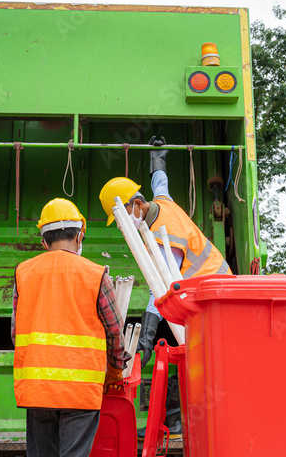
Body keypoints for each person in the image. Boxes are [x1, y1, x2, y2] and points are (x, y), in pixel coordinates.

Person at [12, 198, 127, 457]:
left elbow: (16, 332)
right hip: (79, 388)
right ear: (79, 235)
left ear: (43, 240)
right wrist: (114, 372)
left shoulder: (23, 273)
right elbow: (113, 331)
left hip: (36, 387)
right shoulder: (95, 273)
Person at [98, 136, 232, 438]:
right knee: (188, 352)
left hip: (212, 296)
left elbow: (159, 290)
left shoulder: (163, 239)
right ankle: (175, 418)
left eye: (121, 219)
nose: (122, 225)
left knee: (190, 356)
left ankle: (175, 420)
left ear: (135, 205)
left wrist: (144, 337)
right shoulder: (162, 204)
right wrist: (157, 160)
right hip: (213, 288)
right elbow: (161, 183)